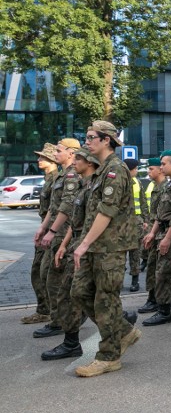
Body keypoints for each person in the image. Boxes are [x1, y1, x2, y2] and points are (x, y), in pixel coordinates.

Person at [71, 121, 142, 377]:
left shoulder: (115, 171)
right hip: (95, 247)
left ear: (106, 141)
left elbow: (106, 212)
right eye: (87, 136)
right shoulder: (101, 172)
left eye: (91, 137)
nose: (87, 141)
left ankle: (109, 356)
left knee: (105, 300)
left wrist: (84, 244)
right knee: (79, 292)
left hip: (110, 247)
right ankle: (123, 330)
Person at [41, 148, 98, 360]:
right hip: (75, 244)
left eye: (79, 159)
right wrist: (65, 244)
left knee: (79, 293)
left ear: (90, 163)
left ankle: (120, 327)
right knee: (74, 292)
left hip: (90, 248)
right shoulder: (84, 187)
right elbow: (76, 220)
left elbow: (96, 221)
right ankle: (71, 341)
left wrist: (81, 245)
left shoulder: (95, 186)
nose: (75, 161)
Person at [33, 137, 83, 339]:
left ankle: (63, 321)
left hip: (64, 233)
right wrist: (43, 228)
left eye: (59, 150)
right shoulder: (63, 176)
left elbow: (67, 206)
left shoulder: (72, 176)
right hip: (56, 231)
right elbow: (53, 208)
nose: (55, 154)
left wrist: (52, 231)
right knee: (49, 276)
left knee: (57, 279)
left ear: (71, 153)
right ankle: (60, 319)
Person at [140, 150, 171, 327]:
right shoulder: (169, 185)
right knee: (163, 272)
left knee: (169, 273)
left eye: (163, 164)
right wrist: (152, 232)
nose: (161, 167)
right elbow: (160, 213)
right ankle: (163, 309)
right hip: (162, 233)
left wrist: (167, 237)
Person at [22, 143, 59, 325]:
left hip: (52, 231)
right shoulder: (49, 179)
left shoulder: (57, 179)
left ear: (52, 160)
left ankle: (51, 311)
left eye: (42, 158)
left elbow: (56, 209)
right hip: (45, 228)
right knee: (38, 271)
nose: (38, 160)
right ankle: (45, 309)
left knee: (44, 272)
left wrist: (48, 230)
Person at [138, 158, 165, 314]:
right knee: (152, 268)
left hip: (161, 233)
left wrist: (154, 233)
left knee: (164, 272)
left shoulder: (164, 188)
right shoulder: (154, 186)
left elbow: (163, 215)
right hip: (153, 231)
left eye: (151, 169)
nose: (148, 172)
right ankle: (153, 299)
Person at [123, 158, 148, 292]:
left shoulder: (137, 182)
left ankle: (135, 280)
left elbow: (143, 201)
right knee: (120, 253)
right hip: (122, 223)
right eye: (135, 169)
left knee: (135, 253)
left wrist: (145, 220)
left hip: (136, 222)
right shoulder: (120, 182)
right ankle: (119, 280)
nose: (137, 171)